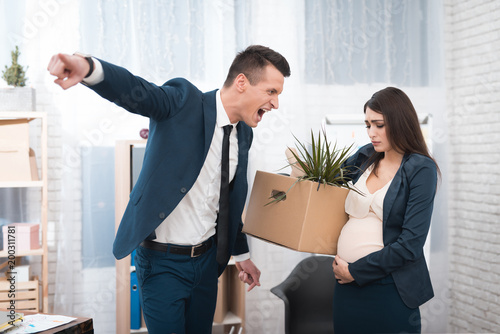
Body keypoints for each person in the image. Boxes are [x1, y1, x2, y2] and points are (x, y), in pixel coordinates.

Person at [47, 45, 291, 334]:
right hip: (162, 265)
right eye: (271, 92)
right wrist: (88, 67)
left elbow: (228, 201)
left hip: (206, 264)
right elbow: (139, 91)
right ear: (241, 83)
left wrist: (241, 255)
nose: (275, 104)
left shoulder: (244, 135)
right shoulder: (183, 102)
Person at [332, 87, 439, 333]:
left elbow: (411, 243)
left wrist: (355, 271)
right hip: (346, 287)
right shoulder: (365, 156)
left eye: (379, 125)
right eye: (368, 125)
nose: (371, 133)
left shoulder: (421, 168)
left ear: (400, 122)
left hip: (390, 288)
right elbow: (324, 184)